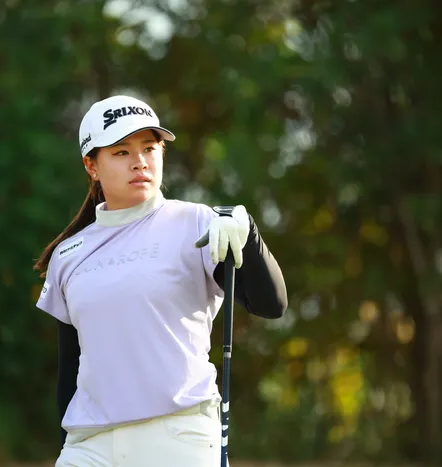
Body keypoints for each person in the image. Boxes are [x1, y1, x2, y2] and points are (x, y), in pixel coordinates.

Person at [33, 94, 288, 467]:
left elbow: (271, 305)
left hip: (179, 437)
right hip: (89, 445)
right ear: (92, 165)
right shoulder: (68, 254)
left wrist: (247, 232)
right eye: (121, 152)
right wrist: (65, 448)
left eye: (150, 148)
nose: (140, 161)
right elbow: (71, 367)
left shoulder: (199, 224)